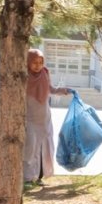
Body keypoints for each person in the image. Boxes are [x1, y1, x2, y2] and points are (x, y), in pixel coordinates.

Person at [24, 47, 71, 187]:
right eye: (34, 62)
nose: (38, 65)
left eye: (40, 62)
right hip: (30, 119)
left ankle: (39, 177)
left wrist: (63, 91)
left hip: (45, 119)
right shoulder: (24, 76)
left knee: (43, 149)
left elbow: (50, 89)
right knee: (30, 149)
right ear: (27, 62)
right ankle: (27, 178)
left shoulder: (45, 73)